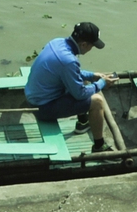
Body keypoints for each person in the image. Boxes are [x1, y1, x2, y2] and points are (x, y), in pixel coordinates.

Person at [24, 22, 115, 152]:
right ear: (84, 44)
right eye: (92, 46)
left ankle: (83, 123)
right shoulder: (68, 61)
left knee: (82, 80)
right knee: (97, 102)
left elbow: (69, 72)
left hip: (33, 96)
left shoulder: (56, 42)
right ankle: (99, 146)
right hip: (42, 108)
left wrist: (92, 75)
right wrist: (102, 83)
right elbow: (80, 94)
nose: (91, 49)